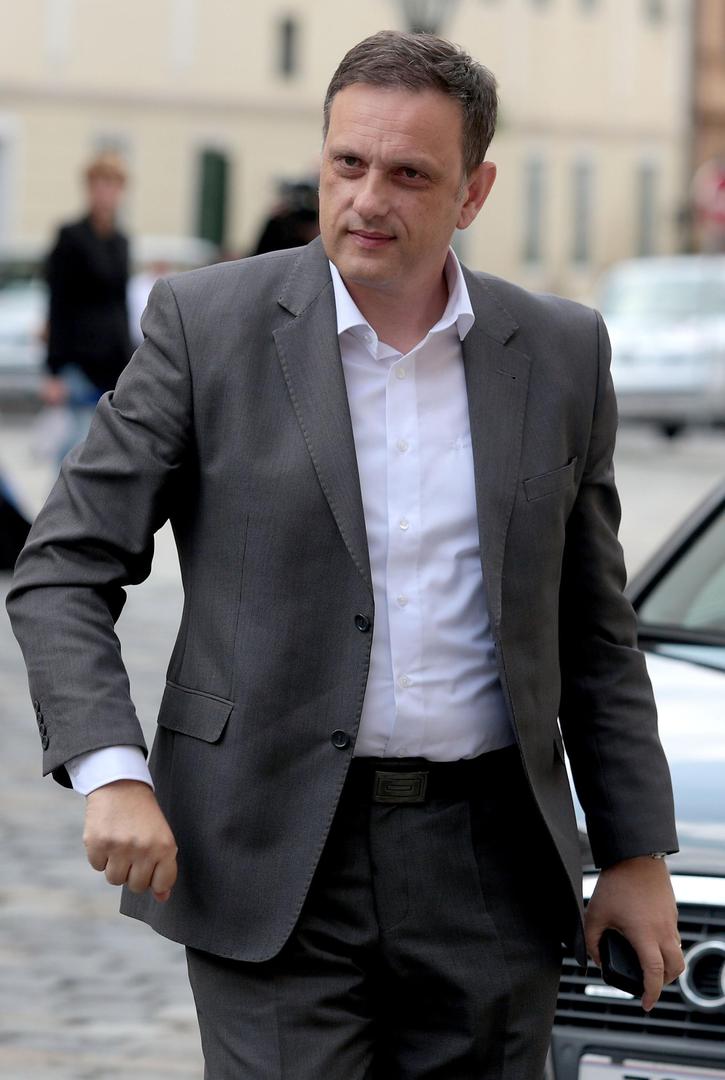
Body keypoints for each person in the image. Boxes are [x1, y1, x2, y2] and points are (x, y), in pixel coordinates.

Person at [7, 31, 683, 1079]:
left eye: (409, 174)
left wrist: (634, 852)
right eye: (347, 164)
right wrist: (113, 770)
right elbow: (63, 566)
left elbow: (592, 627)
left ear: (472, 192)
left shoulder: (557, 351)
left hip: (490, 867)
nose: (368, 199)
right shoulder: (206, 327)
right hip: (268, 850)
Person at [41, 151, 131, 461]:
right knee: (74, 448)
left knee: (103, 449)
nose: (106, 192)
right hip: (78, 360)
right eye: (100, 183)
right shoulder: (71, 236)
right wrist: (53, 369)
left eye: (113, 184)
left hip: (112, 361)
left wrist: (131, 360)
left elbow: (121, 305)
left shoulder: (121, 241)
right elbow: (57, 302)